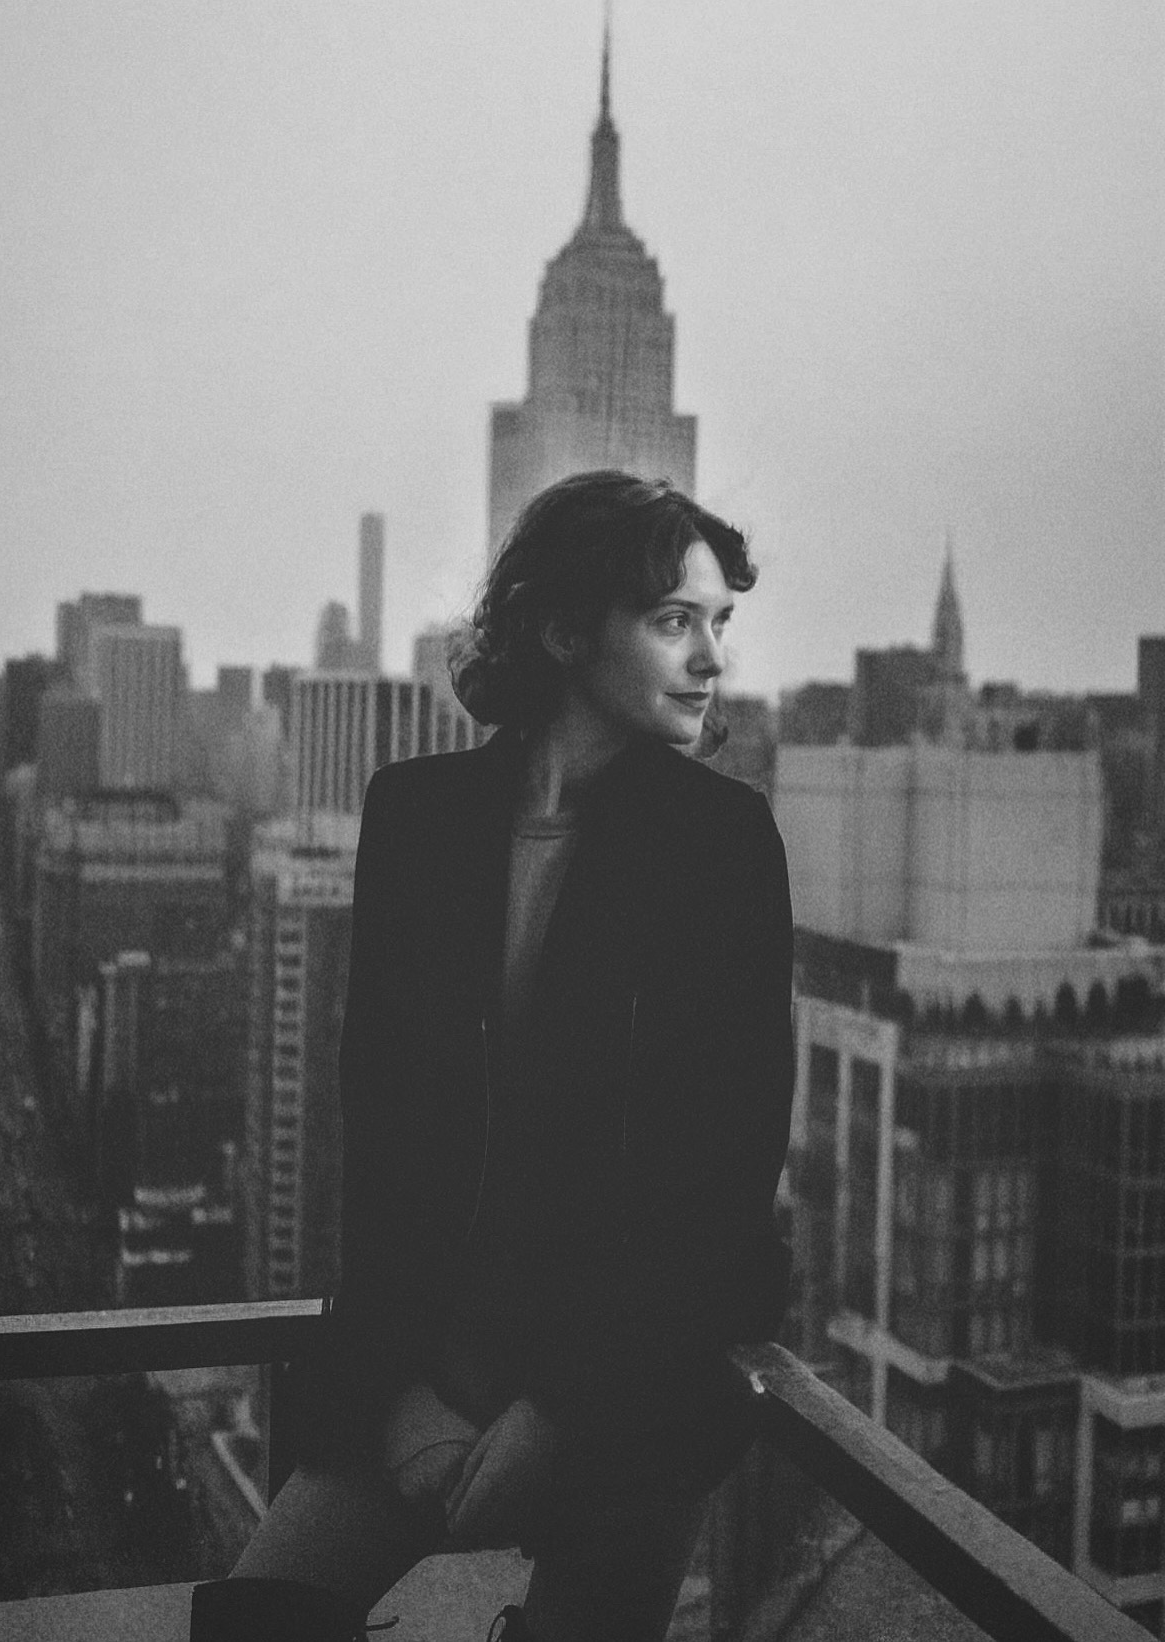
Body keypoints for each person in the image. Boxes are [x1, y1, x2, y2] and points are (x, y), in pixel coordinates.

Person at [190, 471, 795, 1642]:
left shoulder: (720, 845)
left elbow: (716, 1190)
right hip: (434, 1368)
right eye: (673, 620)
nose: (711, 658)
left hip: (628, 1387)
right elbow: (379, 1139)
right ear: (565, 628)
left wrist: (561, 1411)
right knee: (256, 1618)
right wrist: (400, 1390)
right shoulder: (417, 817)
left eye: (718, 623)